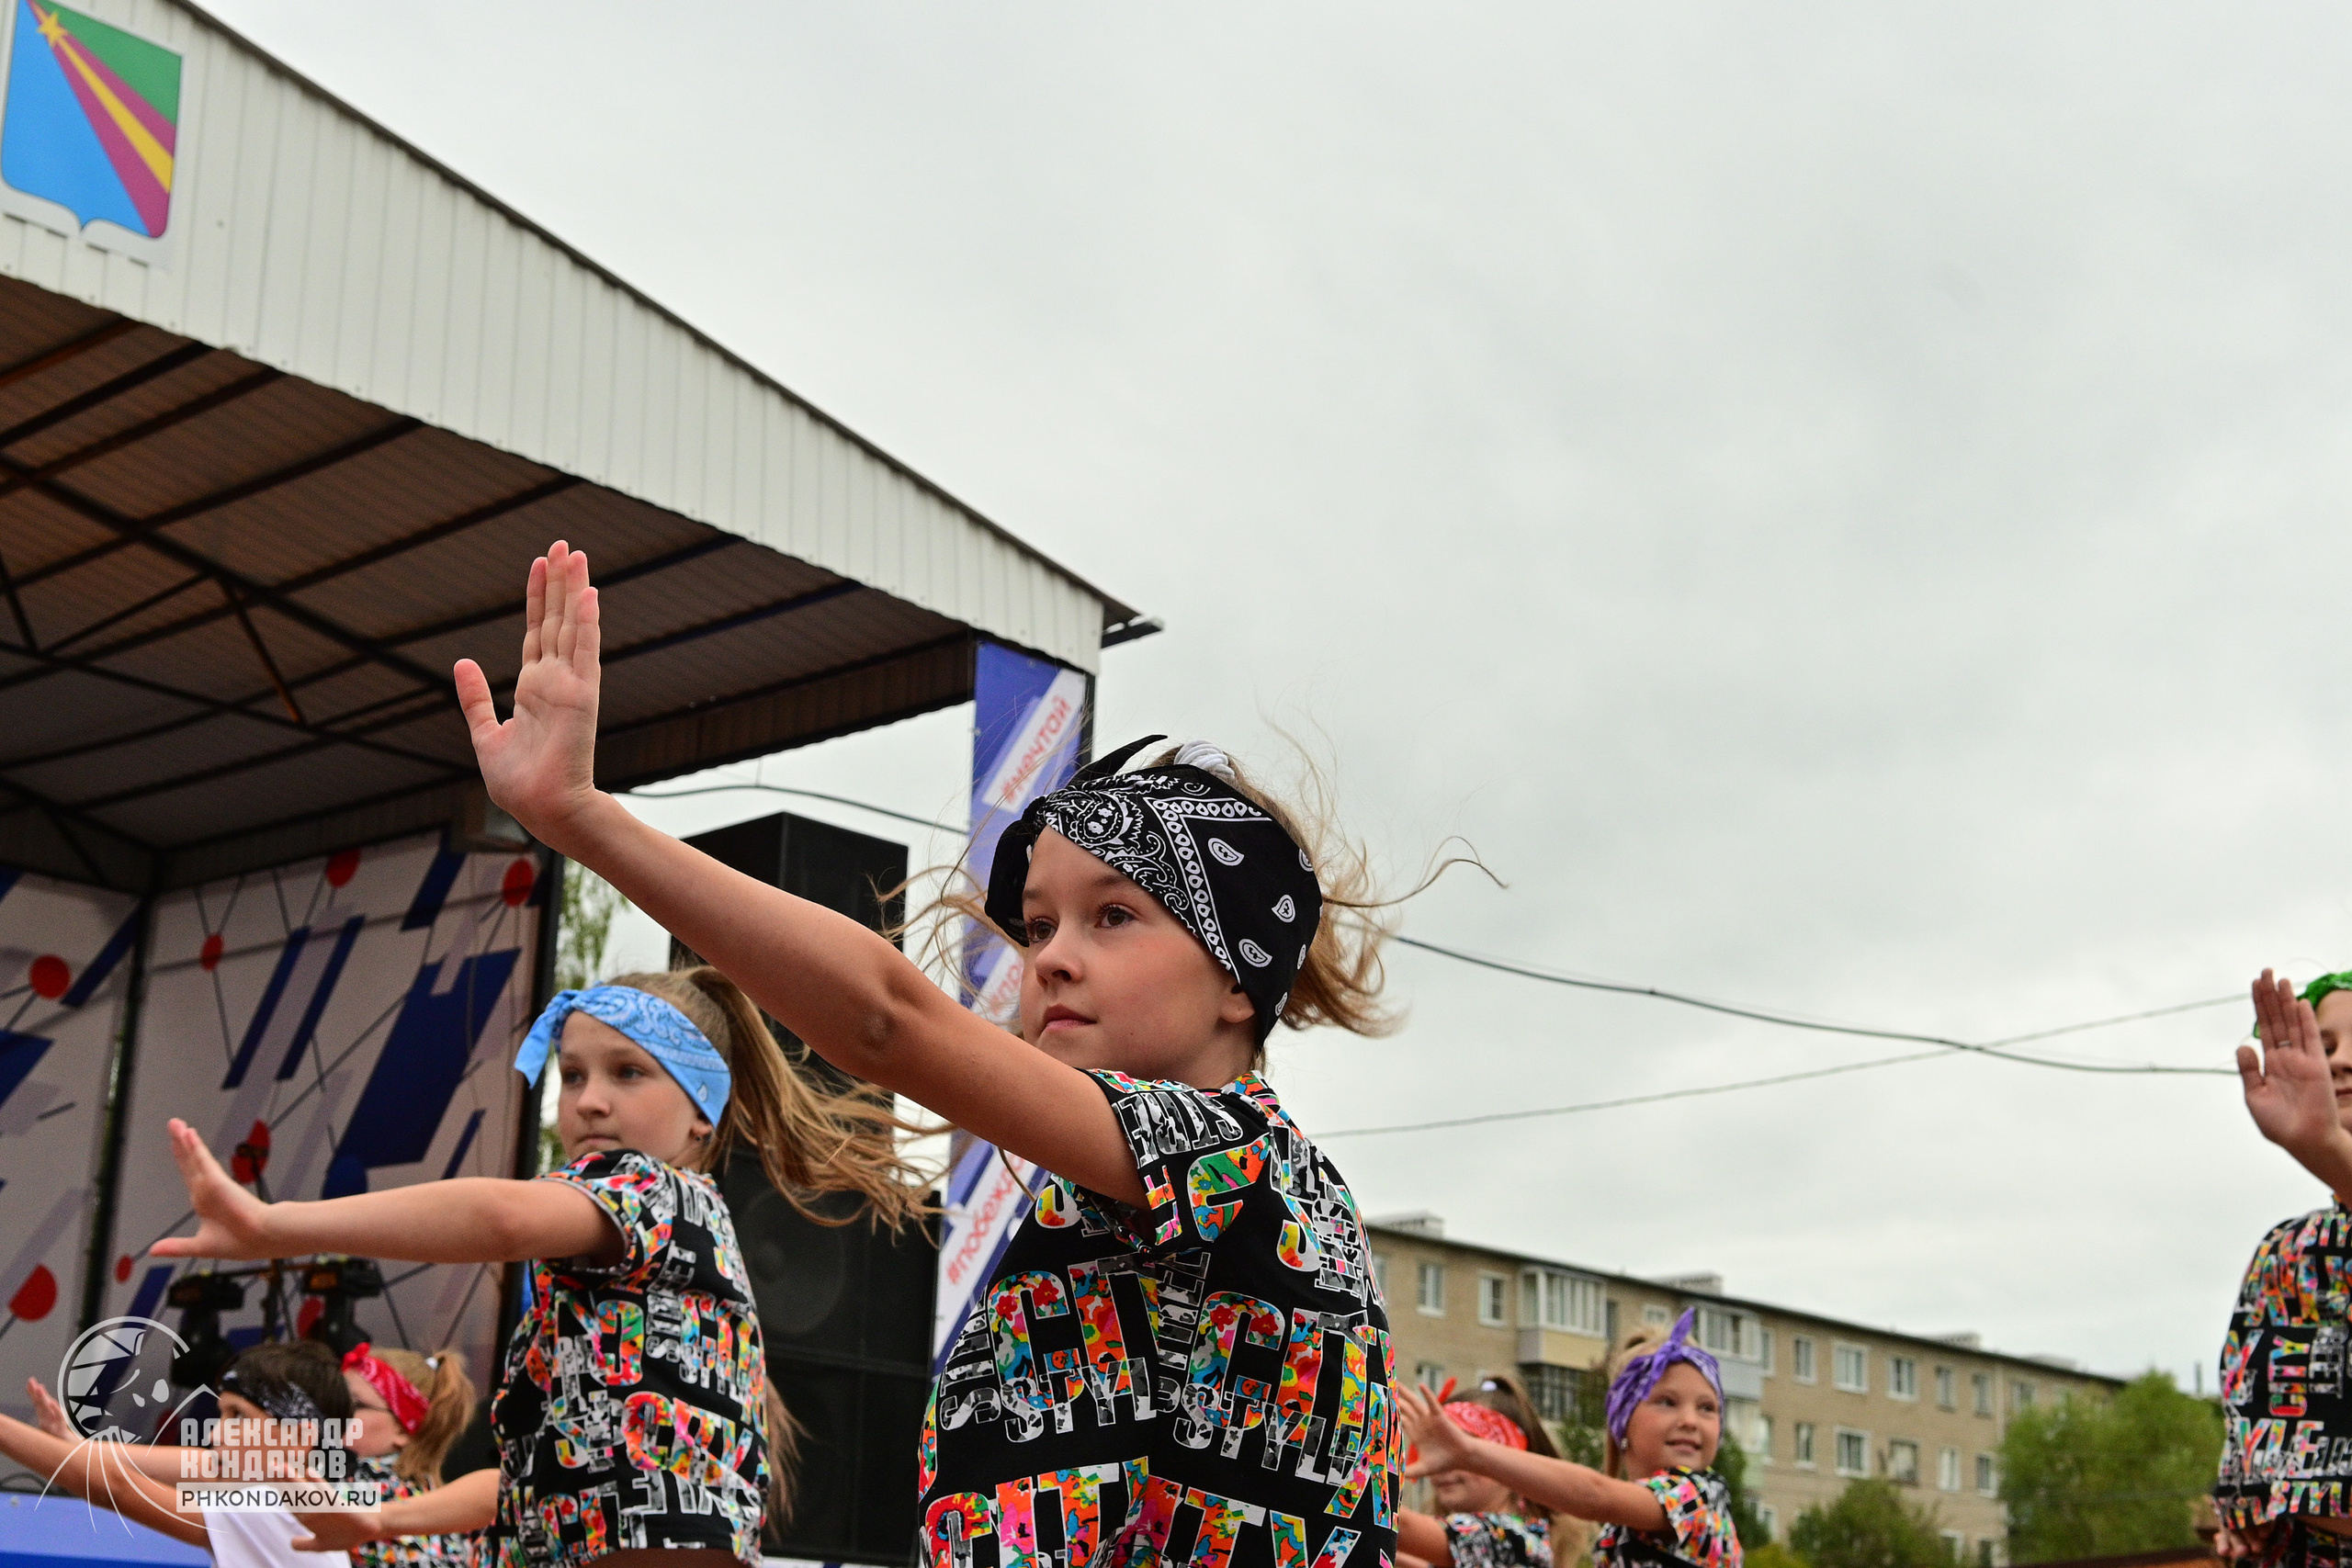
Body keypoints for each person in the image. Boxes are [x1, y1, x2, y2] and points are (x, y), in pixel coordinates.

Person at [427, 541, 1420, 1568]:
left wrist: (581, 818)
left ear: (1237, 981)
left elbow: (885, 1020)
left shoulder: (1239, 1157)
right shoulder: (1144, 1188)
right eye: (1037, 928)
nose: (1053, 961)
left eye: (1114, 916)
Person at [153, 963, 926, 1568]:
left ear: (703, 1110)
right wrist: (383, 1518)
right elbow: (522, 1480)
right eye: (573, 1074)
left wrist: (272, 1224)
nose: (588, 1101)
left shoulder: (654, 1191)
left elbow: (499, 1215)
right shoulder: (635, 1257)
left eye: (629, 1072)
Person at [1398, 1312, 1741, 1568]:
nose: (1690, 1421)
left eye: (1708, 1408)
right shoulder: (1622, 1528)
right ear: (1623, 1423)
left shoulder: (1700, 1497)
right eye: (1667, 1402)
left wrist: (1469, 1452)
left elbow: (1594, 1494)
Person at [0, 1339, 357, 1567]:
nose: (217, 1432)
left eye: (238, 1416)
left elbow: (117, 1486)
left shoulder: (269, 1506)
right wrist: (75, 1445)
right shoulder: (304, 1497)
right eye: (222, 1414)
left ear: (297, 1437)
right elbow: (199, 1464)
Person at [2217, 970, 2352, 1564]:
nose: (2341, 1062)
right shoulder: (2290, 1250)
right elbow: (2259, 1458)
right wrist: (2246, 1511)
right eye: (2323, 1047)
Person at [339, 1343, 480, 1568]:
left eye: (353, 1404)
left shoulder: (361, 1485)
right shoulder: (444, 1507)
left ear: (403, 1430)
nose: (333, 1413)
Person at [1396, 1376, 1560, 1568]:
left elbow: (1399, 1525)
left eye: (1462, 1454)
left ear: (1508, 1461)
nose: (1442, 1466)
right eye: (1437, 1448)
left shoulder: (1517, 1539)